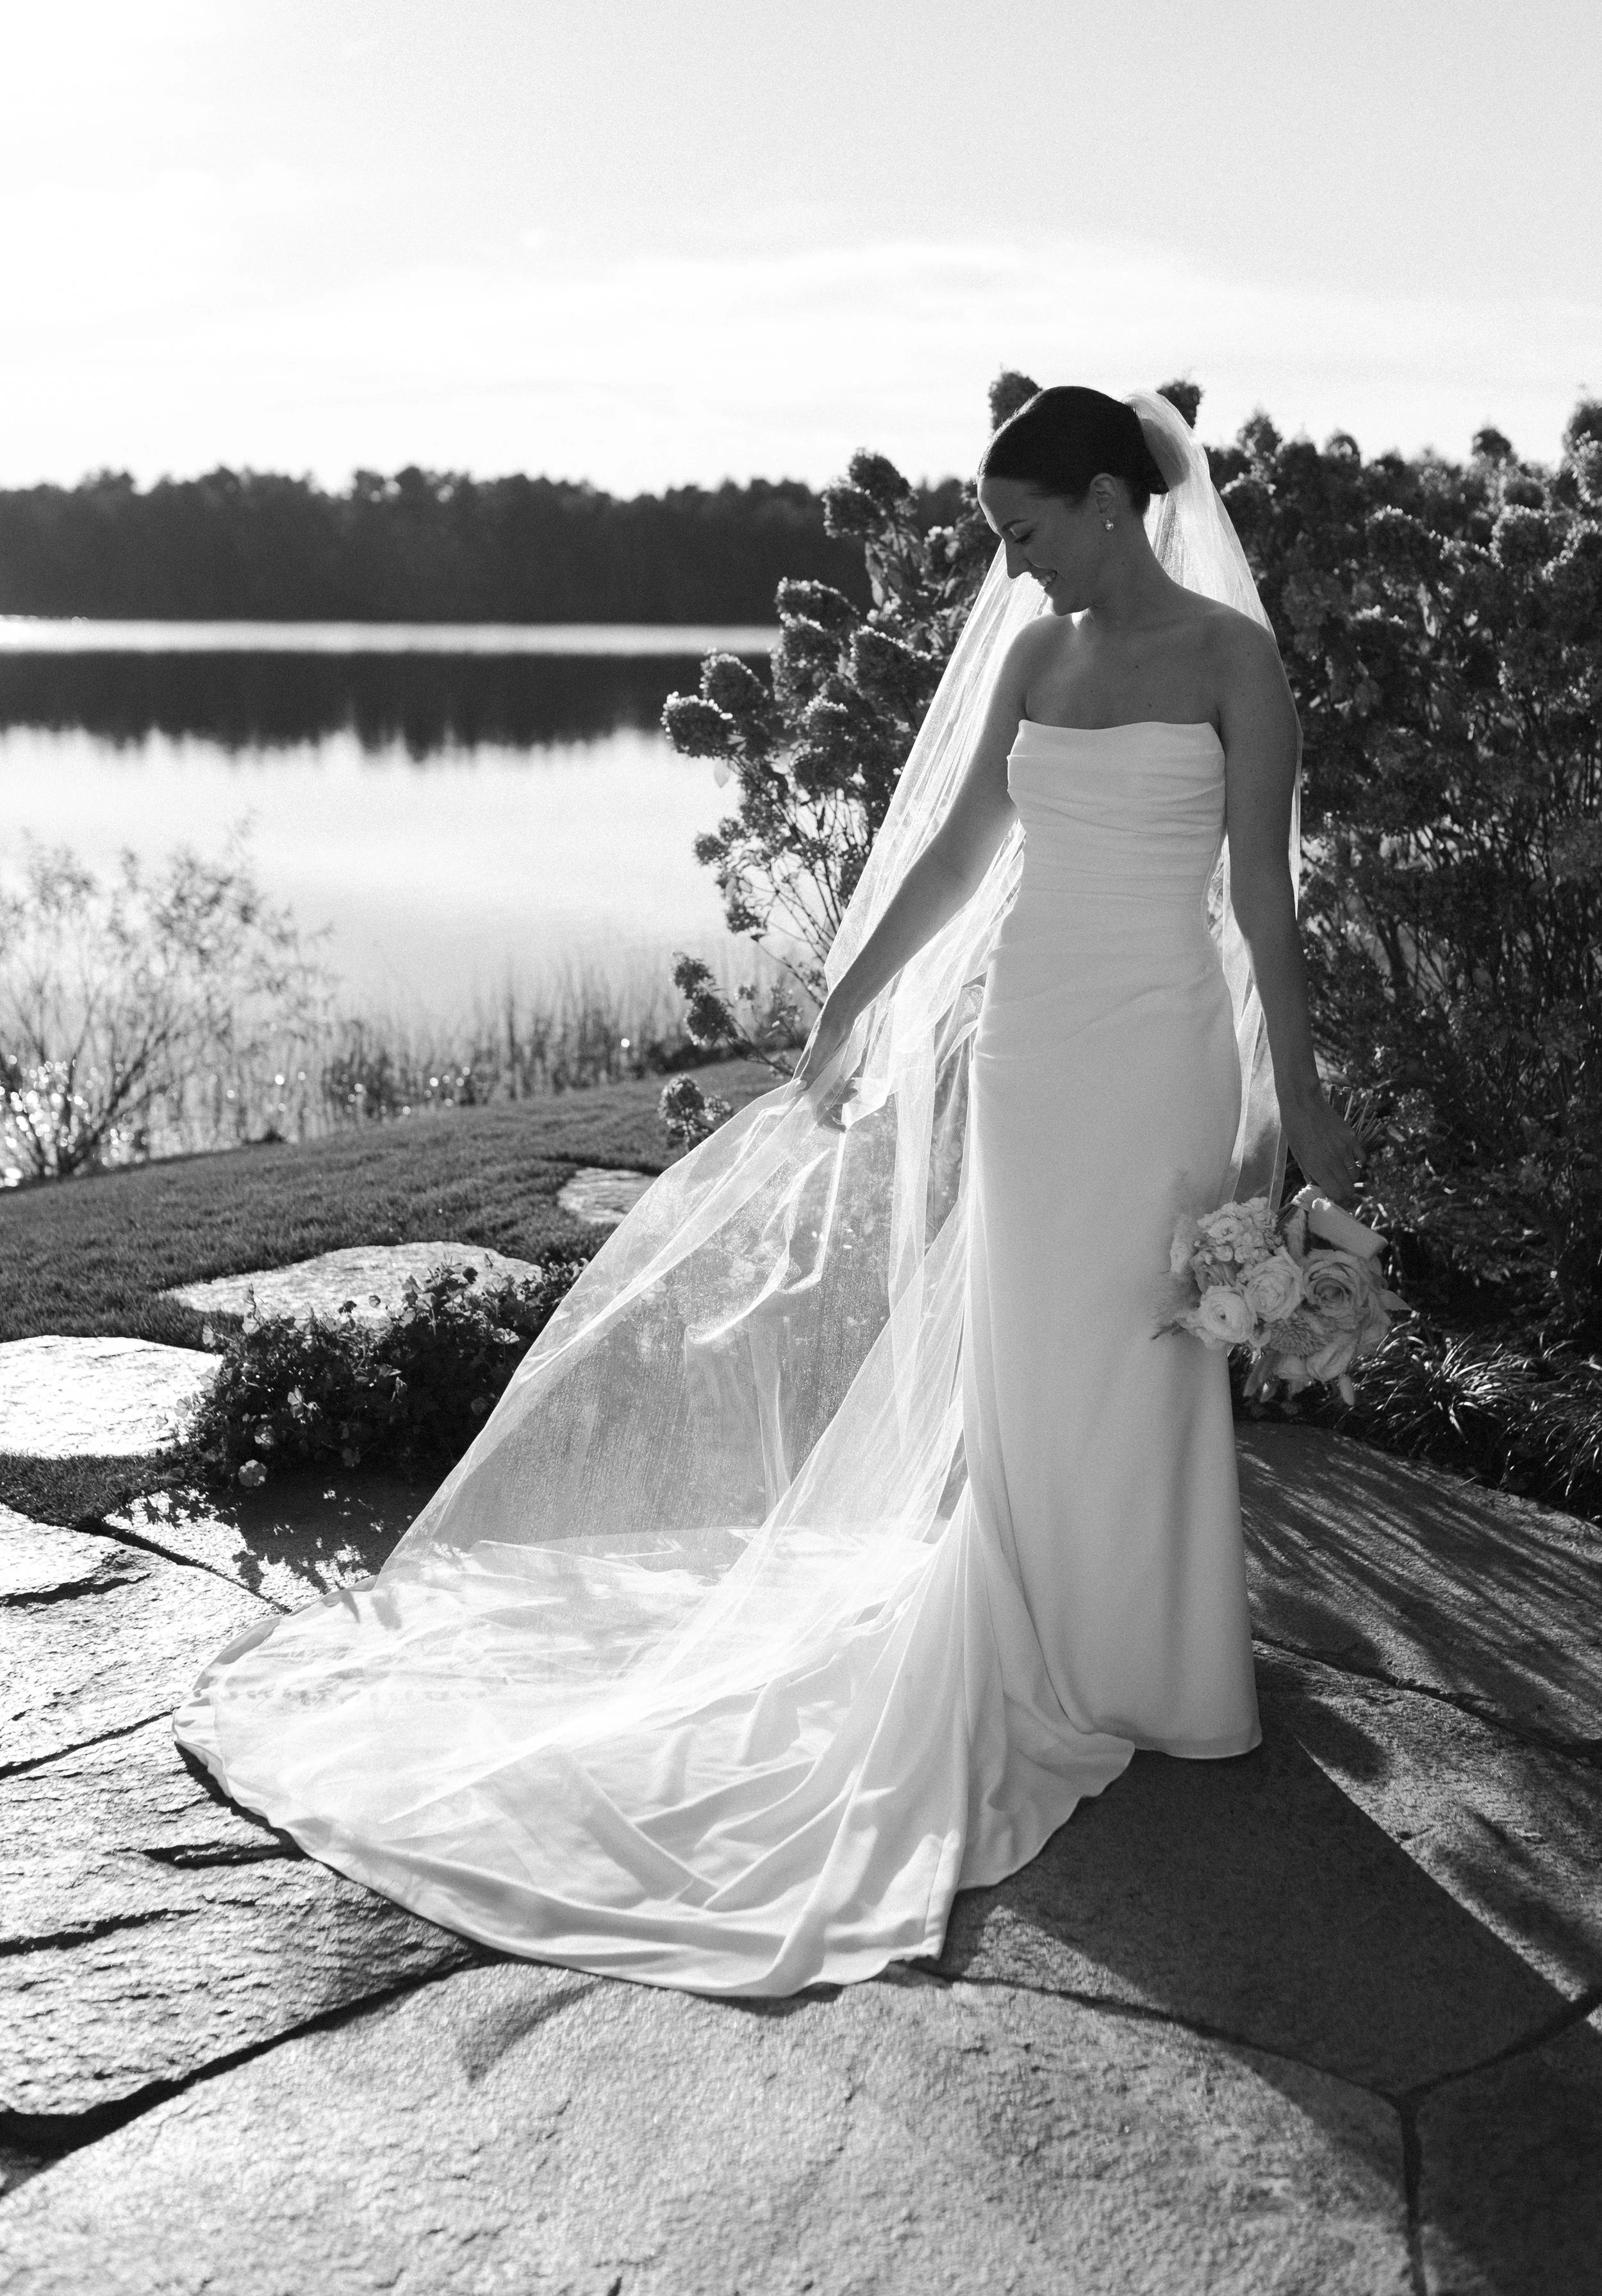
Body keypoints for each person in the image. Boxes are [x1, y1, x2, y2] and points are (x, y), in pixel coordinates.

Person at [176, 386, 1365, 1998]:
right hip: (1031, 1047)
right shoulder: (1036, 657)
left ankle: (1152, 1664)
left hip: (1157, 1049)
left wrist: (1295, 1100)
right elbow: (954, 859)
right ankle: (1042, 1638)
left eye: (1022, 535)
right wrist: (848, 1001)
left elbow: (1260, 907)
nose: (1009, 575)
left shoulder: (1232, 665)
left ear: (1104, 500)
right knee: (1029, 1349)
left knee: (1139, 1347)